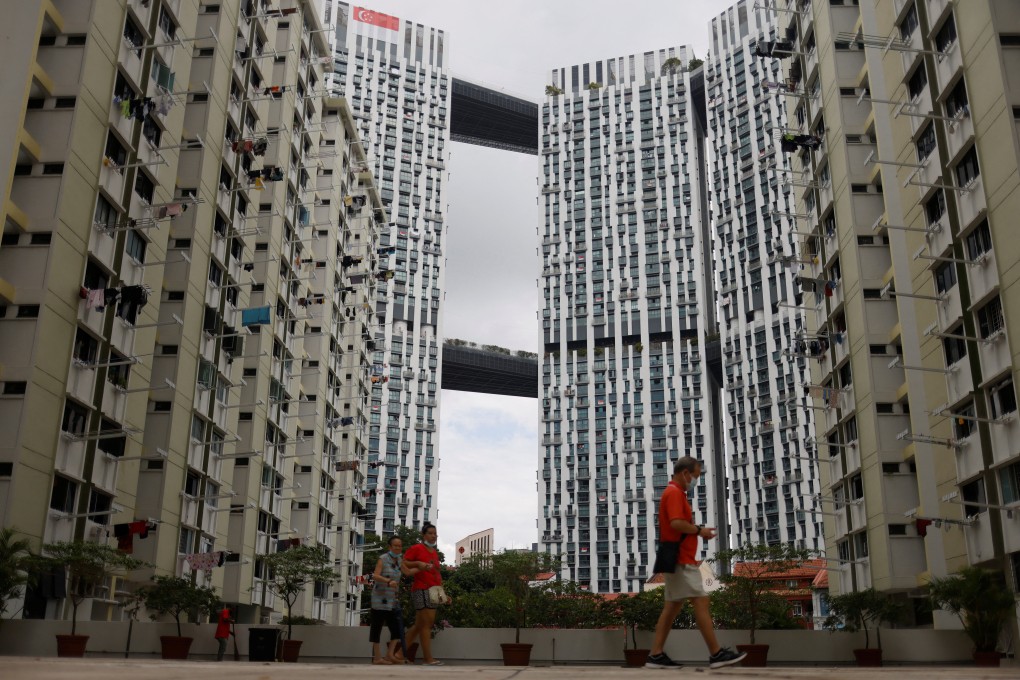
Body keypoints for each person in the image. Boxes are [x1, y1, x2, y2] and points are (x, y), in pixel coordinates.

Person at [646, 457, 746, 670]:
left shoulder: (674, 493)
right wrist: (700, 531)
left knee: (672, 607)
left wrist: (698, 531)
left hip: (677, 558)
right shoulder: (673, 493)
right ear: (685, 473)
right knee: (701, 601)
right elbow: (676, 523)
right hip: (681, 559)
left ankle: (655, 654)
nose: (695, 481)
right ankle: (716, 654)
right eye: (696, 476)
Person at [402, 523, 451, 666]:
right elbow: (403, 562)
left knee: (419, 625)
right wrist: (418, 564)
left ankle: (399, 654)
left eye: (435, 533)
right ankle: (428, 659)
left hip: (434, 590)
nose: (434, 536)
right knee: (426, 625)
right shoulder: (417, 548)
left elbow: (436, 574)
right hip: (421, 589)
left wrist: (443, 594)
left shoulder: (434, 552)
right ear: (423, 535)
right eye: (430, 533)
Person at [369, 535, 418, 664]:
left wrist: (423, 568)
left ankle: (389, 655)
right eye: (395, 545)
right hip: (379, 599)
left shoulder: (399, 560)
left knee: (396, 629)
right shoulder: (383, 559)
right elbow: (375, 575)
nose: (398, 548)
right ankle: (377, 658)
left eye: (400, 546)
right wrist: (388, 581)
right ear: (390, 547)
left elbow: (407, 572)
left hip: (392, 600)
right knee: (377, 628)